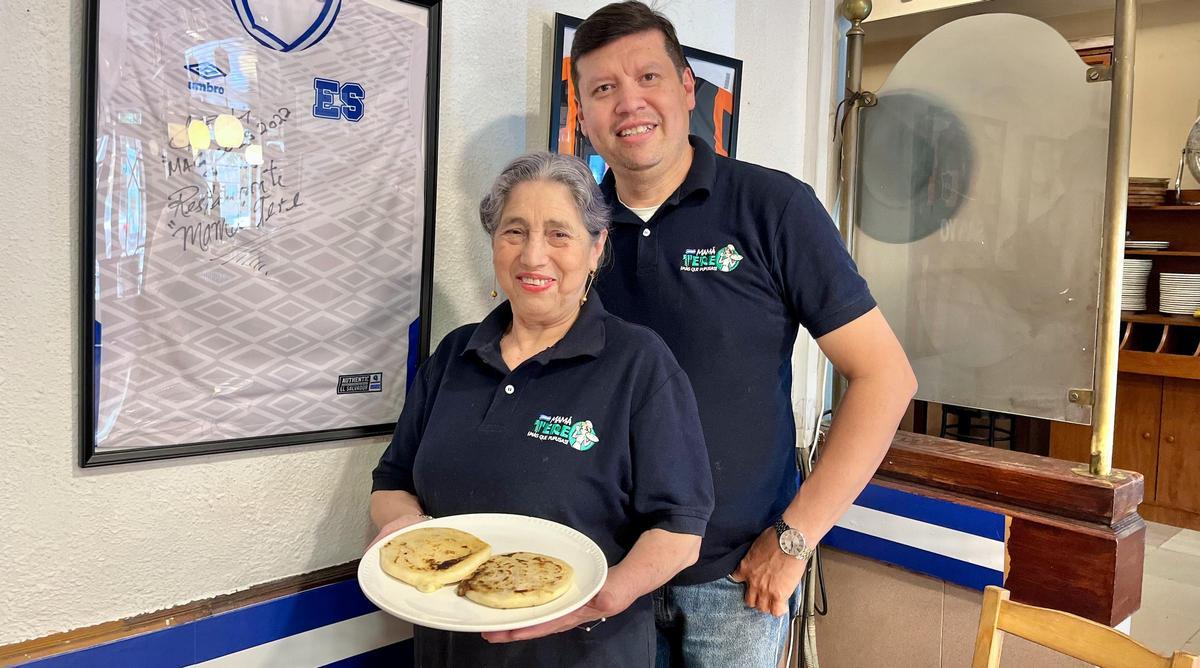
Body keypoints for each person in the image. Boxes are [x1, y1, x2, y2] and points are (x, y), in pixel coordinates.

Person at [569, 3, 919, 666]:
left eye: (648, 77)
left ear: (687, 89)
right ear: (584, 113)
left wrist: (794, 541)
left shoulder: (771, 207)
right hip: (608, 574)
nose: (629, 103)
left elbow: (886, 377)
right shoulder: (574, 231)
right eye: (604, 89)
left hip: (737, 583)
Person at [369, 152, 715, 667]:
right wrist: (412, 538)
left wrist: (602, 598)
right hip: (449, 650)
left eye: (559, 234)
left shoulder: (639, 363)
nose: (533, 256)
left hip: (585, 650)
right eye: (514, 231)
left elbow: (680, 531)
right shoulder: (453, 355)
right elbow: (392, 482)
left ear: (597, 248)